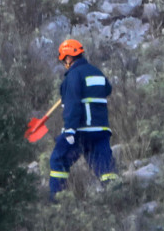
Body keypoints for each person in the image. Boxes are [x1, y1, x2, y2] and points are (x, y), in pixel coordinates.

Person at [49, 39, 117, 200]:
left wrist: (70, 130)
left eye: (64, 59)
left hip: (81, 131)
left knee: (58, 159)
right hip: (101, 131)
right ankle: (116, 199)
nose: (64, 62)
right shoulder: (97, 72)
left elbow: (73, 105)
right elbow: (107, 89)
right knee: (105, 167)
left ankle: (57, 201)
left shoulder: (73, 76)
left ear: (68, 57)